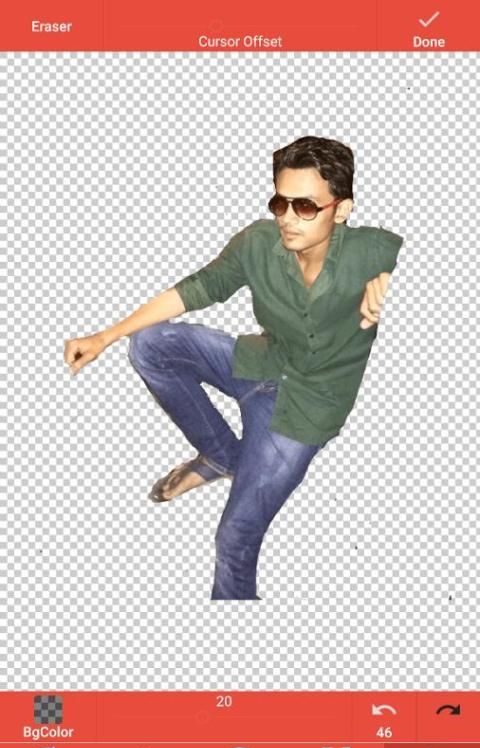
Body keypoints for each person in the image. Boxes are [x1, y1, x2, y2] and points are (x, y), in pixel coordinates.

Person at [64, 136, 404, 601]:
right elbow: (196, 288)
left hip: (306, 412)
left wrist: (395, 289)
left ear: (341, 209)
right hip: (260, 362)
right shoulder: (259, 241)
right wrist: (105, 336)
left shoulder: (376, 252)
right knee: (150, 344)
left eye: (305, 206)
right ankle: (221, 454)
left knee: (234, 539)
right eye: (280, 202)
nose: (287, 217)